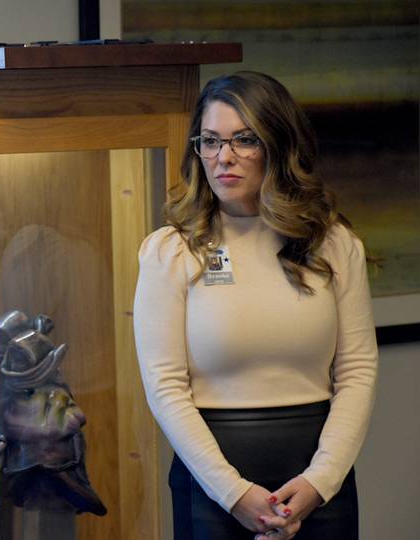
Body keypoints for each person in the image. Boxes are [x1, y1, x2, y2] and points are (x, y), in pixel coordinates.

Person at [133, 71, 377, 539]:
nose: (224, 157)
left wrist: (319, 482)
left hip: (317, 484)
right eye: (210, 141)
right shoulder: (170, 251)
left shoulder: (333, 244)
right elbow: (165, 388)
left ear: (279, 145)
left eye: (245, 140)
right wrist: (233, 493)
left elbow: (358, 370)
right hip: (213, 486)